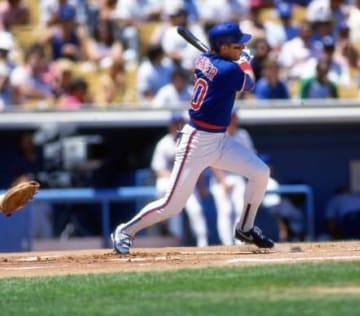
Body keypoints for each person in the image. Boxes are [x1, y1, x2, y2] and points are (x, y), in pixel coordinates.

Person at [111, 21, 274, 254]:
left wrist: (235, 57)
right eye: (237, 45)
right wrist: (245, 60)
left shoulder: (205, 60)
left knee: (260, 172)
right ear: (224, 47)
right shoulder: (227, 70)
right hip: (196, 142)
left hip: (219, 140)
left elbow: (220, 64)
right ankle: (124, 230)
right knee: (171, 205)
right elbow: (249, 82)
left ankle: (245, 228)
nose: (241, 47)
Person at [150, 112, 208, 247]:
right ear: (170, 126)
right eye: (175, 124)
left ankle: (202, 242)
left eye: (180, 123)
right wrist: (175, 179)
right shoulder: (163, 143)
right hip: (169, 181)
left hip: (186, 182)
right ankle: (175, 240)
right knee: (173, 210)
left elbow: (197, 166)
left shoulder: (191, 142)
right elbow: (158, 169)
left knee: (196, 210)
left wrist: (202, 187)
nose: (177, 126)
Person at [209, 108, 255, 246]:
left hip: (237, 176)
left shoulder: (243, 135)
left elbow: (251, 157)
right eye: (231, 116)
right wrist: (222, 180)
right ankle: (226, 243)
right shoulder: (217, 134)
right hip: (219, 179)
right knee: (225, 211)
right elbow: (211, 160)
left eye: (235, 116)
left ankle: (239, 241)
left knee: (239, 209)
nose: (233, 119)